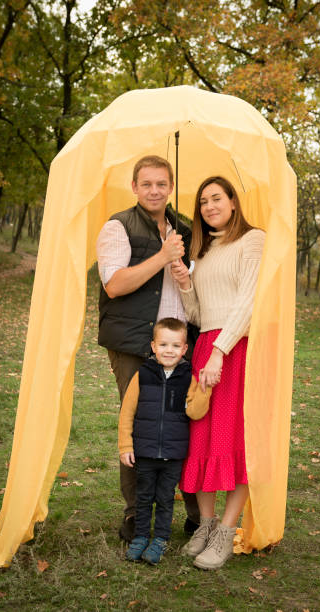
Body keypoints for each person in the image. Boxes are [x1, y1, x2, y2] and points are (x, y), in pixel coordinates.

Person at [96, 155, 200, 542]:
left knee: (184, 423)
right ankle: (136, 516)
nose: (155, 190)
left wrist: (182, 270)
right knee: (139, 424)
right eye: (147, 184)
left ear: (170, 186)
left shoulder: (186, 230)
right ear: (135, 187)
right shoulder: (117, 227)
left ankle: (195, 515)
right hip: (135, 345)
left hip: (179, 344)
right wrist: (161, 257)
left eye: (162, 183)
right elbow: (115, 285)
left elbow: (194, 284)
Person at [171, 175, 265, 570]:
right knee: (202, 438)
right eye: (203, 202)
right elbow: (197, 315)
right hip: (206, 345)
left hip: (236, 348)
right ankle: (206, 525)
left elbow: (247, 303)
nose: (209, 206)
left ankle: (227, 532)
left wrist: (220, 354)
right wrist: (185, 284)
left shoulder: (252, 240)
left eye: (216, 198)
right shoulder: (204, 251)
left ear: (232, 201)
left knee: (235, 440)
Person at [118, 318, 211, 565]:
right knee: (144, 496)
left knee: (166, 499)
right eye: (163, 344)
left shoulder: (187, 378)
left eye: (175, 345)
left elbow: (195, 413)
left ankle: (160, 539)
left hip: (173, 452)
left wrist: (205, 389)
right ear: (153, 346)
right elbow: (127, 412)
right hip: (145, 451)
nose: (169, 350)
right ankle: (140, 537)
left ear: (184, 349)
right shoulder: (142, 375)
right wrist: (126, 446)